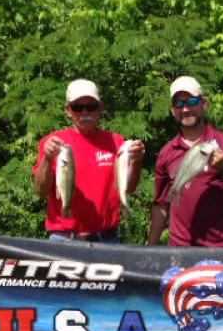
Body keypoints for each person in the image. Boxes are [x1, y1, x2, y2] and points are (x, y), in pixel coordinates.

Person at [148, 76, 223, 247]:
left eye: (191, 101)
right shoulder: (167, 152)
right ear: (173, 110)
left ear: (204, 104)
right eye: (179, 104)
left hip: (222, 249)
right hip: (180, 249)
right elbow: (161, 206)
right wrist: (149, 250)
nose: (185, 109)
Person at [33, 79, 145, 242]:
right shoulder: (53, 143)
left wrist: (137, 161)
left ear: (100, 108)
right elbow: (40, 191)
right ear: (68, 110)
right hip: (64, 239)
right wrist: (48, 158)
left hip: (107, 239)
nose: (85, 112)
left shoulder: (117, 142)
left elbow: (130, 188)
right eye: (77, 107)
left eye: (91, 106)